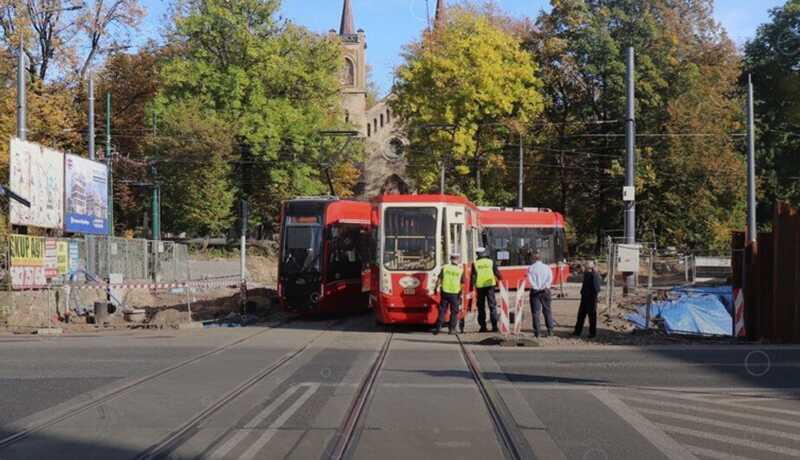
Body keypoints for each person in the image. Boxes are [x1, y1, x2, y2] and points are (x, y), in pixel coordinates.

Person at [471, 247, 502, 333]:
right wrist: (500, 280)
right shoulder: (491, 262)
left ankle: (483, 327)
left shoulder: (475, 264)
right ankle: (494, 326)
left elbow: (473, 277)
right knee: (492, 306)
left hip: (480, 287)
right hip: (490, 287)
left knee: (481, 307)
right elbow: (497, 273)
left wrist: (472, 287)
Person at [434, 254, 465, 335]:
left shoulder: (445, 268)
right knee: (454, 312)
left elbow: (439, 279)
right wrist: (460, 292)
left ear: (450, 259)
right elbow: (462, 283)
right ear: (457, 260)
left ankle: (438, 328)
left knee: (442, 310)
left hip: (445, 292)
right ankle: (452, 329)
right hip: (455, 293)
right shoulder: (460, 270)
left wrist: (435, 288)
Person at [527, 250, 554, 337]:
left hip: (535, 292)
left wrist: (536, 287)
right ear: (541, 259)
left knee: (536, 312)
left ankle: (537, 332)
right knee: (547, 311)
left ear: (533, 259)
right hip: (545, 291)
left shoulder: (530, 268)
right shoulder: (547, 267)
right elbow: (550, 278)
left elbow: (530, 280)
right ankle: (550, 331)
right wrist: (545, 286)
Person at [574, 261, 602, 338]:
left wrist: (594, 297)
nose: (583, 269)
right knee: (580, 316)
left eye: (585, 267)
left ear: (588, 268)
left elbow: (597, 288)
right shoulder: (586, 275)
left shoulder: (594, 275)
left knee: (592, 317)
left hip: (591, 299)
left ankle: (592, 333)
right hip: (584, 298)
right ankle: (577, 331)